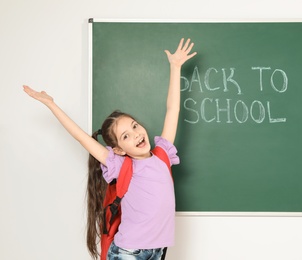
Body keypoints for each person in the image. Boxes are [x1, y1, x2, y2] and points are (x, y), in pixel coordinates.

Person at [23, 38, 197, 260]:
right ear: (119, 150)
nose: (136, 134)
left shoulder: (162, 155)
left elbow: (172, 110)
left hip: (158, 250)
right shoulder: (122, 164)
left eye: (135, 126)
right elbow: (80, 136)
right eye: (126, 136)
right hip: (129, 252)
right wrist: (51, 104)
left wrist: (175, 67)